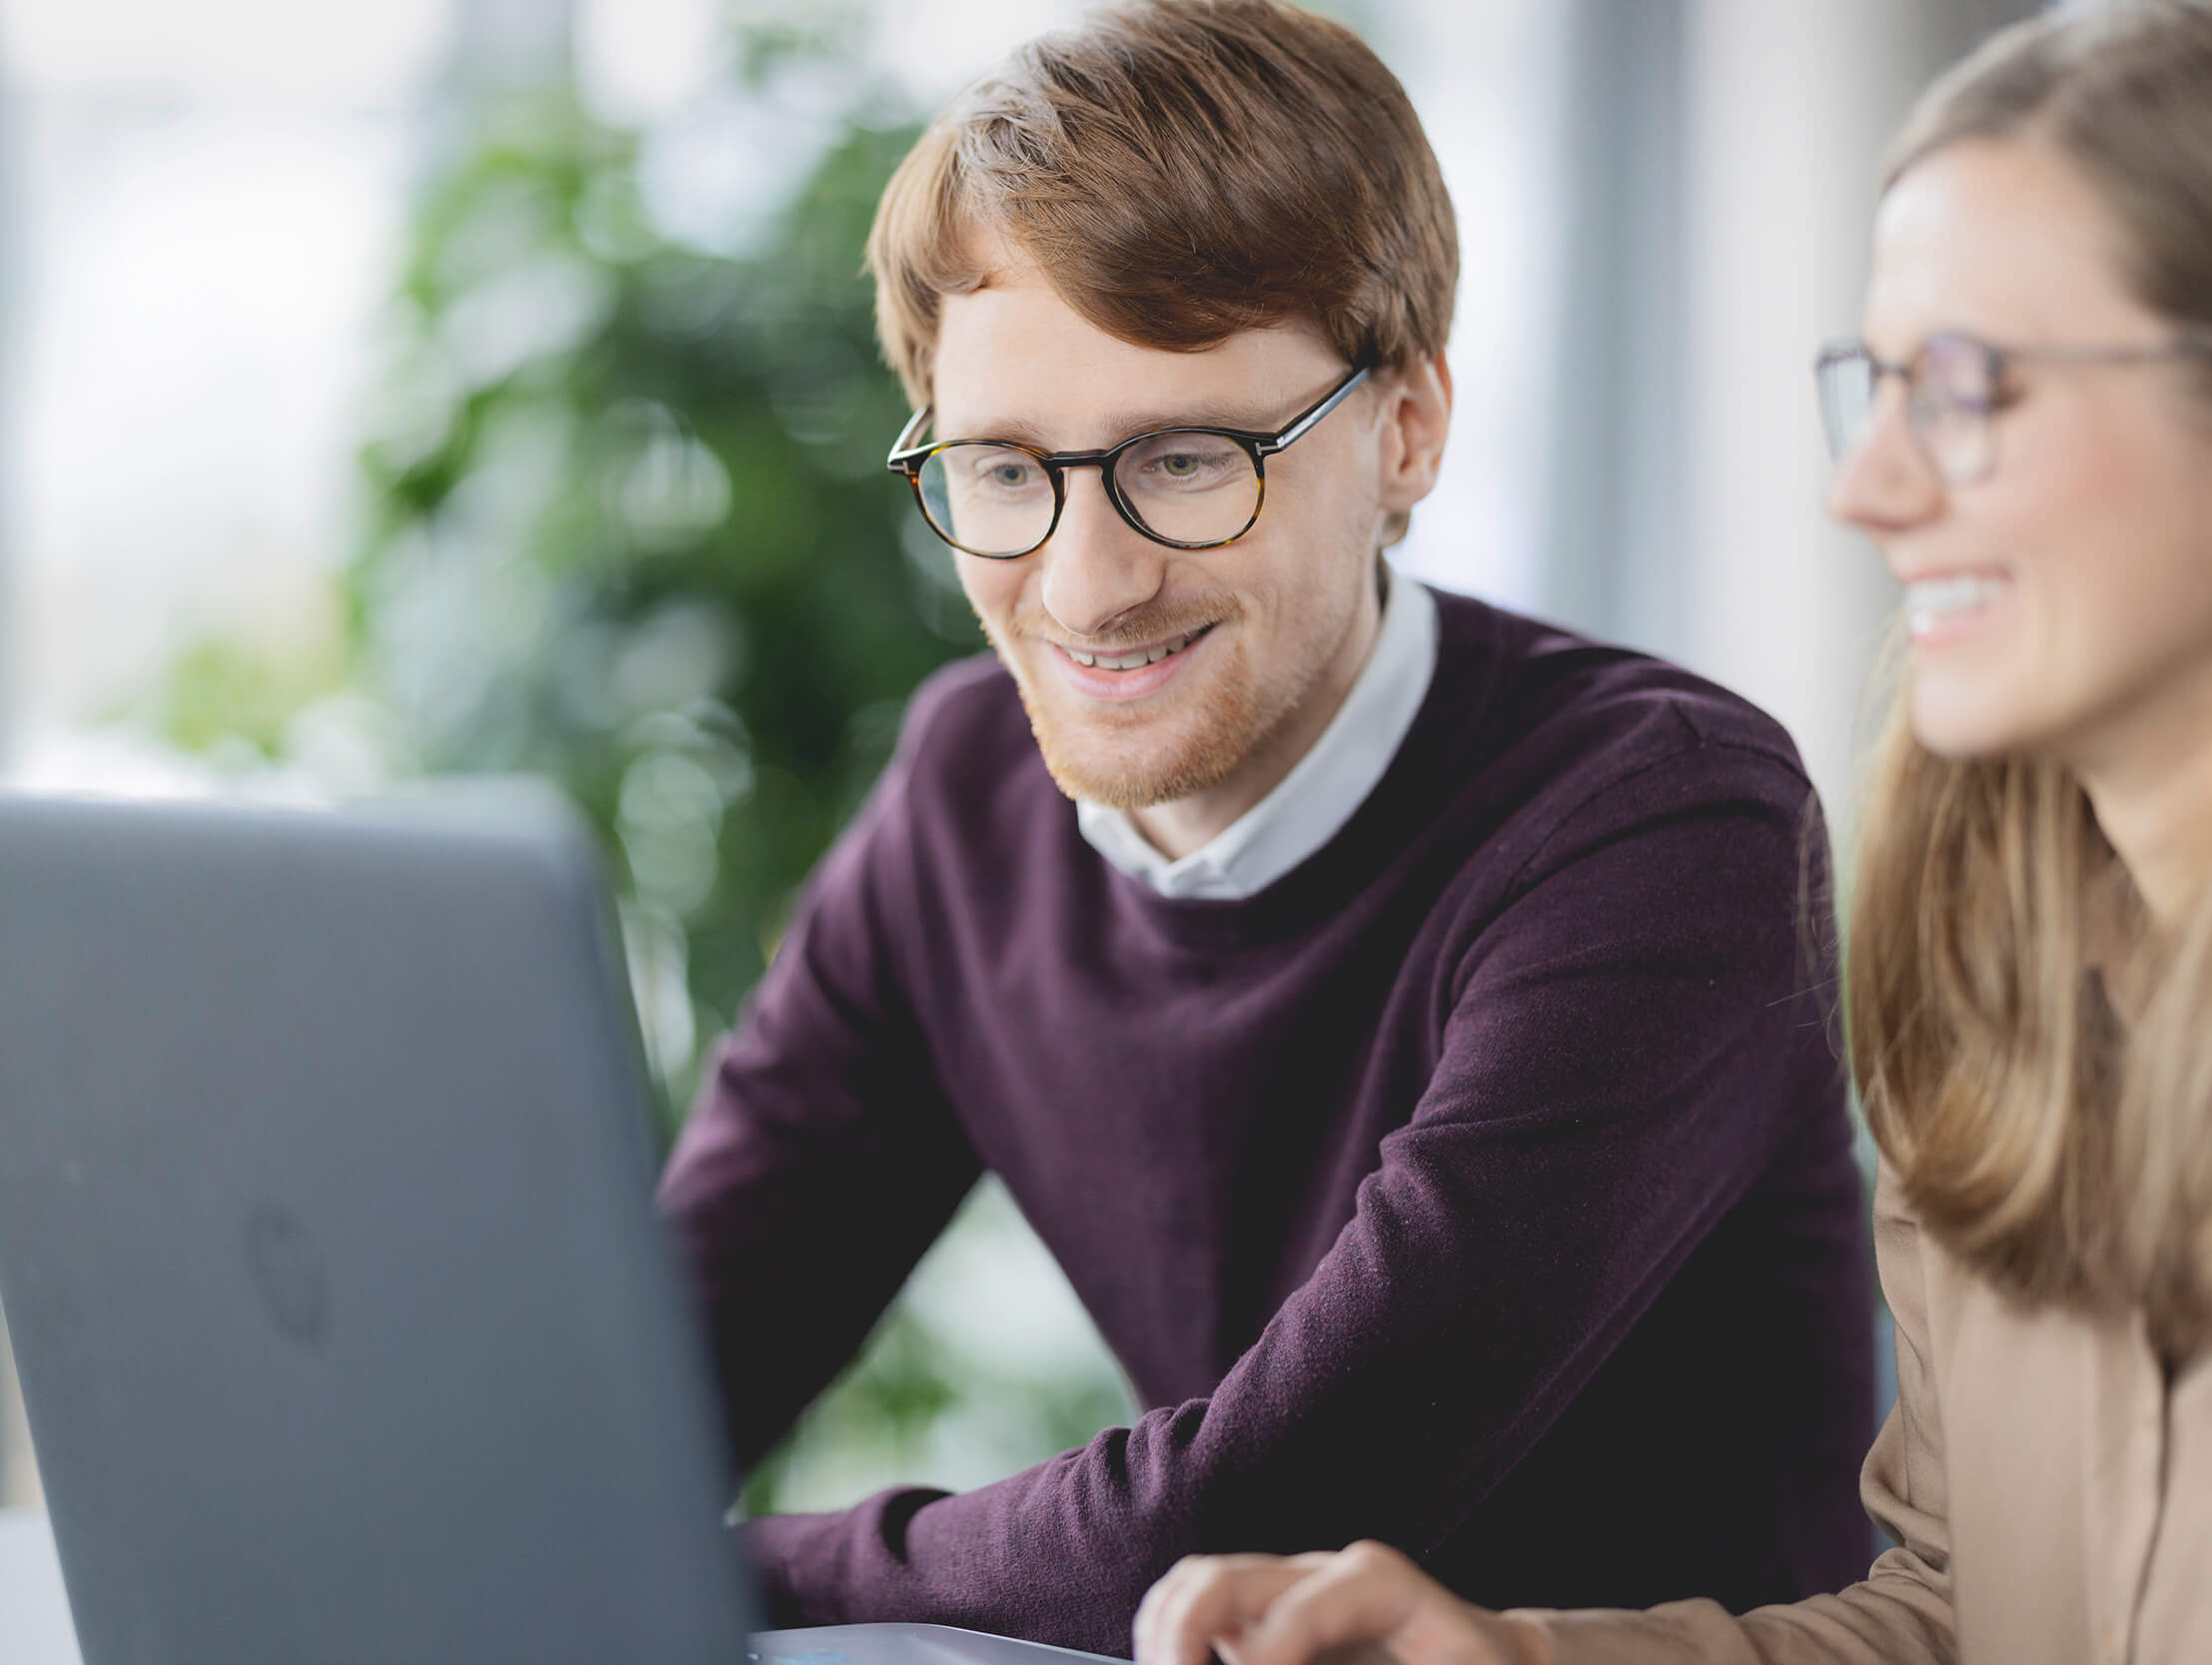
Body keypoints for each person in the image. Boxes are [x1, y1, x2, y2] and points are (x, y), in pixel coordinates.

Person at [1131, 4, 2212, 1662]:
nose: (1867, 488)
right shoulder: (2002, 1029)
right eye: (1883, 387)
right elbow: (1975, 1618)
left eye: (1976, 387)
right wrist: (1518, 1662)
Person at [655, 0, 1875, 1652]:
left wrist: (682, 1565)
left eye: (1188, 456)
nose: (1088, 583)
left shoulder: (1661, 823)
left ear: (1407, 432)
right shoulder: (967, 796)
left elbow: (1235, 1523)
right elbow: (650, 1377)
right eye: (1006, 470)